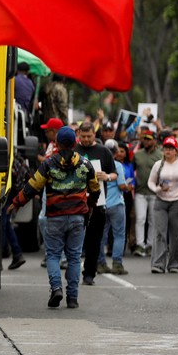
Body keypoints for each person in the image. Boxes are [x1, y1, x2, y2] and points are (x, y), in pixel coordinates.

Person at [8, 127, 100, 309]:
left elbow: (32, 187)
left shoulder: (48, 164)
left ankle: (56, 288)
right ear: (75, 143)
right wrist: (89, 206)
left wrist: (16, 203)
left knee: (52, 255)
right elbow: (95, 189)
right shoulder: (86, 164)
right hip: (78, 218)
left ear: (57, 144)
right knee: (74, 258)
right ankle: (72, 298)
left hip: (55, 217)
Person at [75, 121, 115, 286]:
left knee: (94, 240)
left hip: (98, 202)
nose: (85, 139)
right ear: (78, 134)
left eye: (89, 136)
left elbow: (114, 174)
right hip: (75, 202)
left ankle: (89, 273)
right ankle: (73, 271)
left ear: (94, 135)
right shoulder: (73, 151)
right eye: (83, 136)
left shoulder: (103, 151)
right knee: (75, 239)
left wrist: (107, 176)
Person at [147, 136, 178, 274]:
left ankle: (175, 264)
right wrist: (157, 189)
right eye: (166, 148)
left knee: (177, 234)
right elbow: (150, 182)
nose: (168, 151)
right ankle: (158, 264)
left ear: (176, 150)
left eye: (171, 148)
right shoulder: (158, 165)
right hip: (161, 202)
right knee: (160, 233)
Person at [96, 139, 130, 275]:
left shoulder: (99, 166)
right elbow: (121, 185)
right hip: (116, 204)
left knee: (101, 235)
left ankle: (101, 263)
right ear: (116, 152)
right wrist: (128, 187)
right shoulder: (118, 165)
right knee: (119, 235)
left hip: (102, 203)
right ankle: (117, 264)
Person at [132, 128, 162, 256]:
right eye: (144, 139)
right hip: (140, 191)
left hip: (155, 192)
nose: (146, 141)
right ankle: (140, 245)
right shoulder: (137, 154)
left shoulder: (160, 155)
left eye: (149, 139)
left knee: (152, 220)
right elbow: (132, 169)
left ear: (154, 140)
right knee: (140, 219)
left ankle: (150, 245)